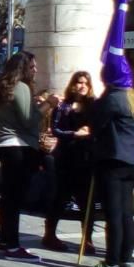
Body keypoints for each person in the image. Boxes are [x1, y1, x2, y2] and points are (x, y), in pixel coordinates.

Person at [0, 51, 59, 262]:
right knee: (15, 197)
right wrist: (50, 104)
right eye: (32, 66)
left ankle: (5, 241)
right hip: (17, 147)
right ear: (22, 68)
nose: (35, 70)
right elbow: (29, 120)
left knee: (7, 197)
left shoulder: (5, 87)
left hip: (2, 145)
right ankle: (12, 245)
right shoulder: (21, 87)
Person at [85, 54, 134, 267]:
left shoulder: (111, 99)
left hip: (112, 160)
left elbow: (95, 123)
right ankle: (125, 259)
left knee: (114, 213)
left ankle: (111, 262)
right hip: (132, 161)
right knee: (127, 213)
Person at [43, 71, 96, 253]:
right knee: (61, 197)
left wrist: (90, 130)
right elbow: (56, 130)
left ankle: (87, 239)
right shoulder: (63, 106)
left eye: (85, 83)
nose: (81, 86)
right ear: (72, 85)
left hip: (86, 159)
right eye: (78, 82)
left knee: (86, 201)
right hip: (66, 157)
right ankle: (49, 234)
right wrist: (74, 134)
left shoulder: (93, 106)